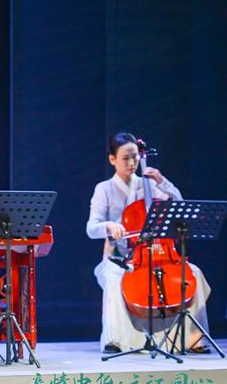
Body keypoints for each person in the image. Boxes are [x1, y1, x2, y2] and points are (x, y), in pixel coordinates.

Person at [86, 132, 211, 354]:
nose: (132, 163)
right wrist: (109, 225)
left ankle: (194, 338)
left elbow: (180, 206)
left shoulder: (149, 185)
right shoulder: (104, 189)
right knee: (114, 279)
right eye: (125, 158)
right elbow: (91, 228)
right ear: (112, 159)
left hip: (157, 255)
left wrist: (163, 182)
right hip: (120, 258)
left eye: (135, 157)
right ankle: (116, 340)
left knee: (193, 272)